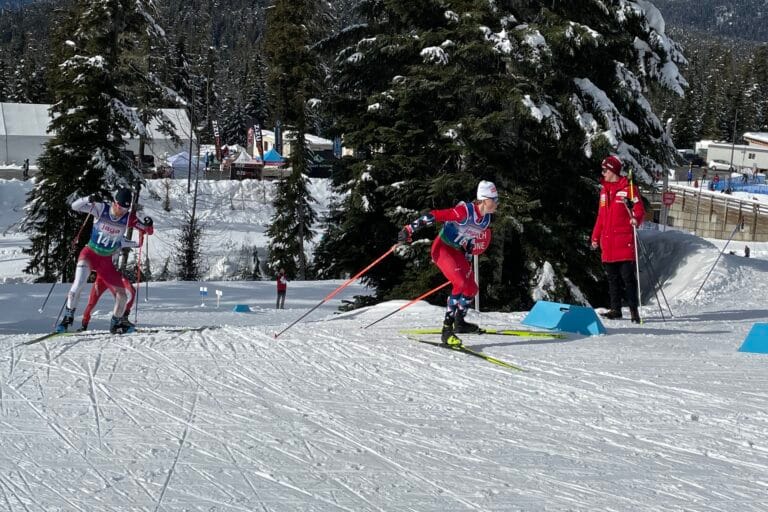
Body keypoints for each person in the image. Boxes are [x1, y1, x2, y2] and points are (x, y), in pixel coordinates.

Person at [397, 180, 499, 346]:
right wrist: (409, 229)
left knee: (471, 289)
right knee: (459, 284)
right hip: (442, 248)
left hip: (457, 251)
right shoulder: (464, 212)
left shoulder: (486, 219)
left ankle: (460, 323)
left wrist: (468, 252)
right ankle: (447, 330)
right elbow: (434, 215)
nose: (496, 203)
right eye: (494, 199)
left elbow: (470, 237)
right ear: (484, 199)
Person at [57, 188, 154, 334]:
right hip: (90, 254)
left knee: (122, 296)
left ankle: (115, 324)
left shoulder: (128, 218)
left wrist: (148, 224)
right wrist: (88, 198)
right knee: (78, 285)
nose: (122, 211)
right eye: (120, 207)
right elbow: (74, 206)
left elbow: (148, 231)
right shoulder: (102, 209)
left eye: (126, 208)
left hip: (106, 262)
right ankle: (67, 318)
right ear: (115, 203)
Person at [591, 156, 645, 323]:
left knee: (627, 279)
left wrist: (635, 218)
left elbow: (639, 209)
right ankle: (615, 309)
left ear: (613, 170)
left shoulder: (628, 189)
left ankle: (634, 311)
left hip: (623, 241)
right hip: (607, 242)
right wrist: (595, 236)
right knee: (612, 279)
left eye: (605, 170)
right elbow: (601, 216)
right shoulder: (604, 191)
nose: (603, 173)